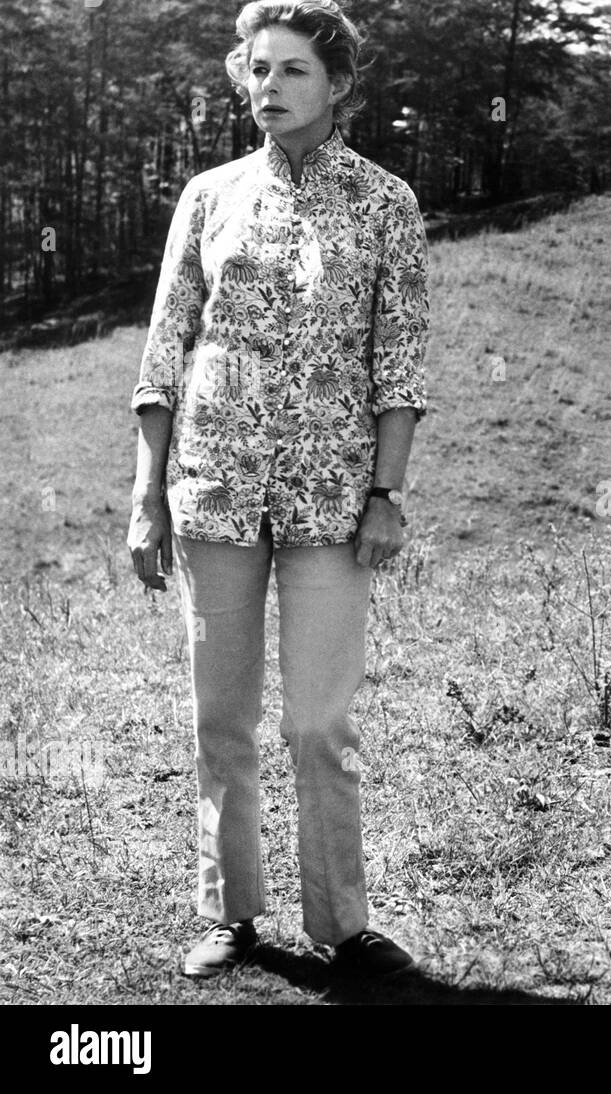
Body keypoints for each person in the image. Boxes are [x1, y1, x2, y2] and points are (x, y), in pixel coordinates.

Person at [126, 0, 430, 978]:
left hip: (329, 505)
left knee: (316, 724)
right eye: (257, 69)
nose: (268, 87)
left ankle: (341, 923)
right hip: (212, 493)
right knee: (220, 719)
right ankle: (231, 914)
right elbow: (163, 350)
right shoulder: (208, 197)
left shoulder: (386, 203)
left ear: (338, 84)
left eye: (292, 70)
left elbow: (402, 368)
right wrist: (146, 493)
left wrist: (386, 494)